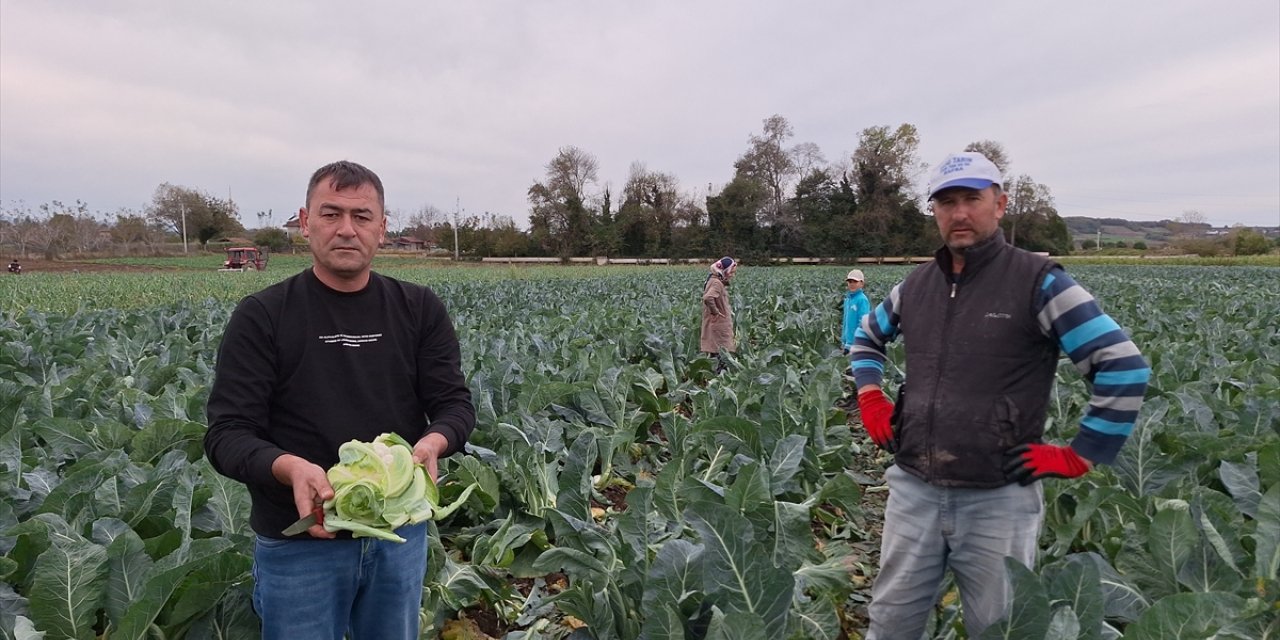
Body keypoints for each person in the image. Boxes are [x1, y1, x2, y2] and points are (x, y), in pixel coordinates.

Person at [849, 151, 1149, 638]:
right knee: (891, 623)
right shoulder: (916, 286)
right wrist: (870, 395)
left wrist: (1082, 454)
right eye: (946, 202)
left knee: (1001, 629)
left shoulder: (1039, 282)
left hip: (997, 501)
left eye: (972, 198)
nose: (959, 212)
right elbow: (866, 337)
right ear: (935, 212)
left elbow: (1123, 364)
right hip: (914, 492)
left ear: (1000, 204)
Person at [204, 161, 475, 640]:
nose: (347, 229)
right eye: (331, 215)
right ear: (305, 223)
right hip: (302, 540)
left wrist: (436, 441)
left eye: (362, 216)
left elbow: (455, 404)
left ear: (383, 229)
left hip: (397, 533)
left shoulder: (419, 309)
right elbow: (227, 434)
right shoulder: (263, 316)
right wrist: (289, 467)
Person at [700, 256, 737, 373]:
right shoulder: (717, 283)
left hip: (717, 325)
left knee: (717, 354)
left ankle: (717, 381)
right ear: (725, 270)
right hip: (718, 326)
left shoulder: (715, 280)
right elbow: (708, 298)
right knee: (721, 355)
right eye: (731, 272)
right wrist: (715, 311)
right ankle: (719, 382)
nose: (732, 275)